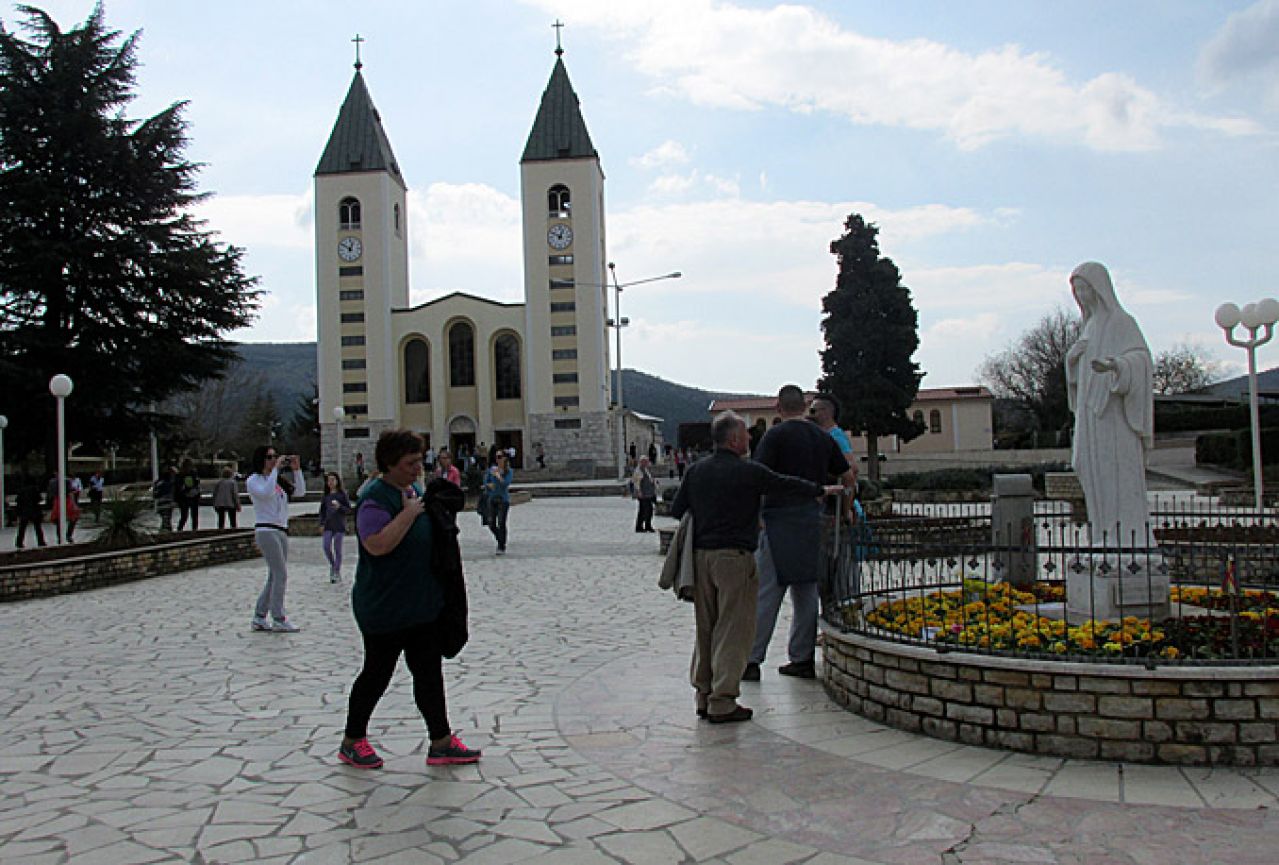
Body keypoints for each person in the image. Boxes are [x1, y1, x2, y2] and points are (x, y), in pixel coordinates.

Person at [669, 411, 835, 723]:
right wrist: (821, 490)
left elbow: (679, 509)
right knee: (734, 629)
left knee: (706, 629)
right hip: (734, 559)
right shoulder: (747, 472)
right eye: (745, 434)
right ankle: (723, 700)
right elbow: (785, 485)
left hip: (701, 558)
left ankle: (703, 695)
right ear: (733, 439)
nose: (750, 439)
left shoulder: (696, 471)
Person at [338, 428, 481, 770]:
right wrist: (410, 513)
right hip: (385, 607)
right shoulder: (375, 497)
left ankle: (441, 741)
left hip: (421, 606)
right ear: (389, 464)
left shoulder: (412, 490)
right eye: (410, 463)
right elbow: (377, 543)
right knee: (377, 673)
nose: (418, 469)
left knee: (429, 674)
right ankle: (352, 740)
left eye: (419, 461)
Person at [744, 386, 855, 683]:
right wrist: (845, 509)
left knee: (767, 593)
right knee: (806, 593)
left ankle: (752, 660)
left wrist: (754, 517)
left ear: (778, 407)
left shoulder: (774, 436)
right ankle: (802, 658)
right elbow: (847, 475)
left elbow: (757, 478)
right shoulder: (822, 437)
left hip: (778, 520)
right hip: (811, 520)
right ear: (805, 405)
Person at [1065, 261, 1155, 542]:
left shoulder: (1121, 322)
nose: (1080, 295)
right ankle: (1103, 532)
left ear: (1098, 289)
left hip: (1113, 417)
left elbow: (1141, 359)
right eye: (1076, 290)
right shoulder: (1089, 325)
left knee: (1117, 475)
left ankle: (1128, 537)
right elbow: (1079, 376)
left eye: (1083, 289)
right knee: (1084, 465)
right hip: (1090, 414)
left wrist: (1116, 366)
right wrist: (1071, 361)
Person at [247, 446, 306, 633]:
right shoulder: (254, 480)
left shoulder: (276, 481)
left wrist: (297, 470)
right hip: (266, 529)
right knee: (281, 573)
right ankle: (278, 617)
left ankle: (259, 615)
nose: (273, 460)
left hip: (281, 529)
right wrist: (275, 471)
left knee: (274, 575)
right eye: (269, 457)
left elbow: (299, 493)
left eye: (275, 457)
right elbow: (265, 493)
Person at [320, 472, 353, 583]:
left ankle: (336, 571)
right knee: (326, 546)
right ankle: (333, 565)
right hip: (328, 525)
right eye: (329, 480)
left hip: (339, 524)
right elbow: (322, 511)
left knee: (337, 549)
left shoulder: (342, 495)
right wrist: (321, 523)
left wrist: (340, 507)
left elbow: (348, 509)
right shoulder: (326, 496)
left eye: (333, 479)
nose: (331, 482)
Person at [483, 450, 513, 555]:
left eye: (500, 457)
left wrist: (499, 476)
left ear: (505, 458)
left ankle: (501, 545)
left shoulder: (508, 471)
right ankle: (500, 538)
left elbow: (506, 484)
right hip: (492, 499)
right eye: (496, 457)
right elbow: (486, 481)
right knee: (490, 523)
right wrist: (488, 485)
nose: (498, 459)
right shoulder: (491, 469)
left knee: (501, 523)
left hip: (503, 500)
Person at [14, 476, 46, 548]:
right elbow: (39, 499)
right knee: (38, 527)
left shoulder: (21, 490)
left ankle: (19, 542)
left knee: (22, 528)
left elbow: (18, 501)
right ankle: (41, 541)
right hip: (34, 510)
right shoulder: (35, 489)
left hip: (24, 511)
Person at [633, 456, 658, 533]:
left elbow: (650, 479)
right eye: (645, 461)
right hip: (643, 494)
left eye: (647, 461)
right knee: (643, 511)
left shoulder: (646, 470)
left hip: (649, 493)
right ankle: (639, 526)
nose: (647, 463)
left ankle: (648, 525)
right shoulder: (638, 470)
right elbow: (637, 482)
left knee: (649, 510)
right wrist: (639, 491)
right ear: (642, 462)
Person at [175, 458, 202, 531]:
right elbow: (180, 486)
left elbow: (196, 484)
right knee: (186, 516)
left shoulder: (192, 473)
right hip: (185, 496)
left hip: (191, 496)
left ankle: (192, 530)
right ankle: (181, 530)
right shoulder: (181, 475)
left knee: (192, 515)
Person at [153, 467, 176, 532]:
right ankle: (165, 534)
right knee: (166, 521)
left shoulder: (157, 483)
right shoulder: (169, 484)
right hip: (167, 504)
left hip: (160, 504)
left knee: (165, 521)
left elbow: (155, 495)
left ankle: (165, 532)